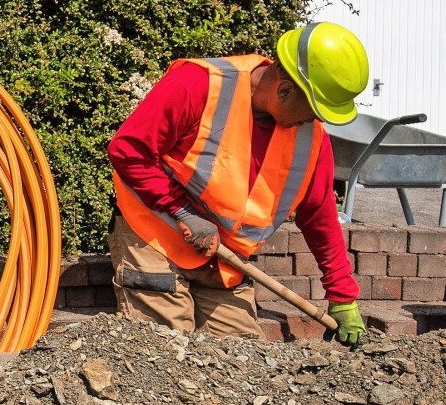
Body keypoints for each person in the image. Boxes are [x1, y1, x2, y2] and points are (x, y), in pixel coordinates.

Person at [107, 22, 369, 345]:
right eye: (313, 111)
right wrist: (183, 211)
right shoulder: (199, 85)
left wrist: (342, 293)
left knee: (245, 361)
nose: (314, 123)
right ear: (284, 90)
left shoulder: (312, 142)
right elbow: (128, 150)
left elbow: (320, 216)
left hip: (221, 262)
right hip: (155, 236)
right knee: (166, 349)